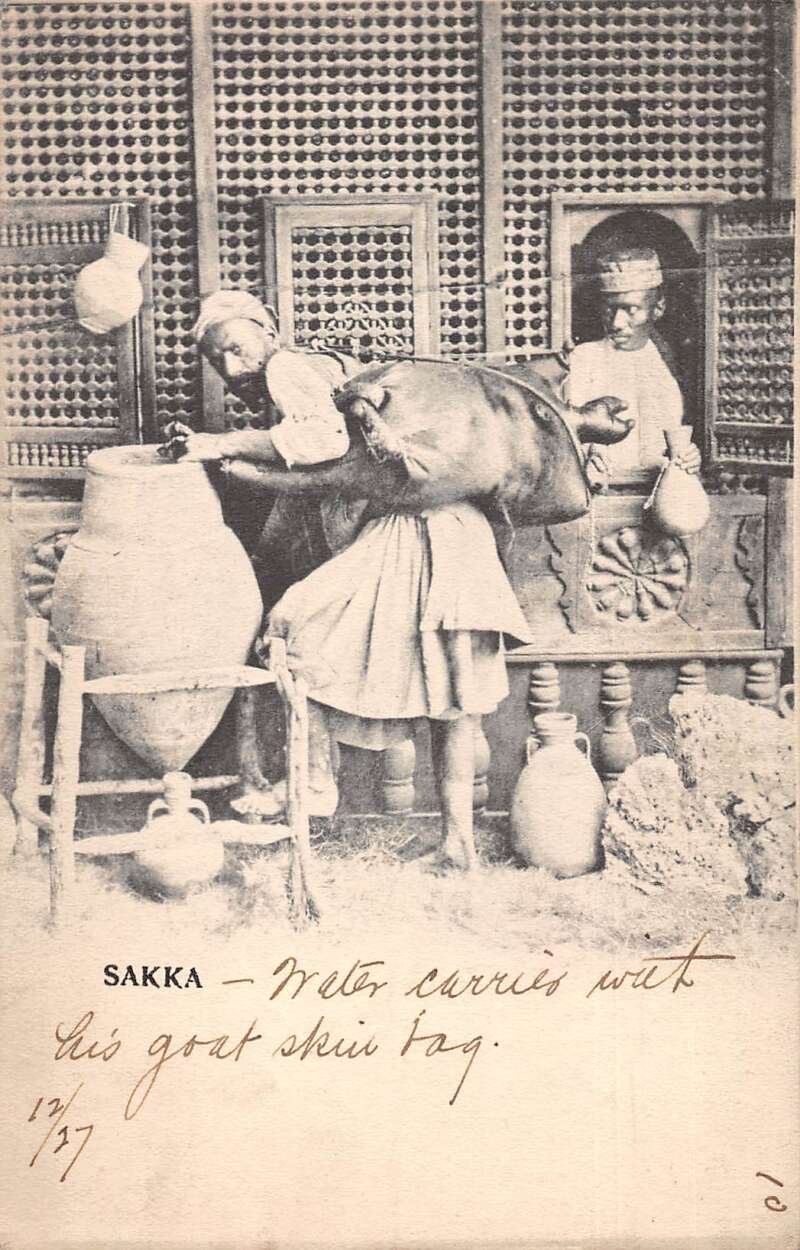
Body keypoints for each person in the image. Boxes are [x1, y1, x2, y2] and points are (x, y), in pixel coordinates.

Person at [169, 290, 534, 870]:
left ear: (270, 331)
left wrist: (220, 445)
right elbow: (332, 477)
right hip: (457, 532)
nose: (233, 368)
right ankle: (457, 844)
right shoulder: (325, 369)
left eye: (237, 347)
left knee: (293, 627)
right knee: (452, 696)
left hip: (415, 531)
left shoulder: (288, 367)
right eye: (218, 361)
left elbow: (326, 445)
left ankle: (315, 786)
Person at [565, 247, 702, 480]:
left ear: (658, 308)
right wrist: (588, 451)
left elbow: (673, 440)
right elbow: (565, 434)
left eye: (631, 310)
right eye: (609, 309)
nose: (616, 323)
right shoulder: (581, 360)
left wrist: (689, 456)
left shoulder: (668, 363)